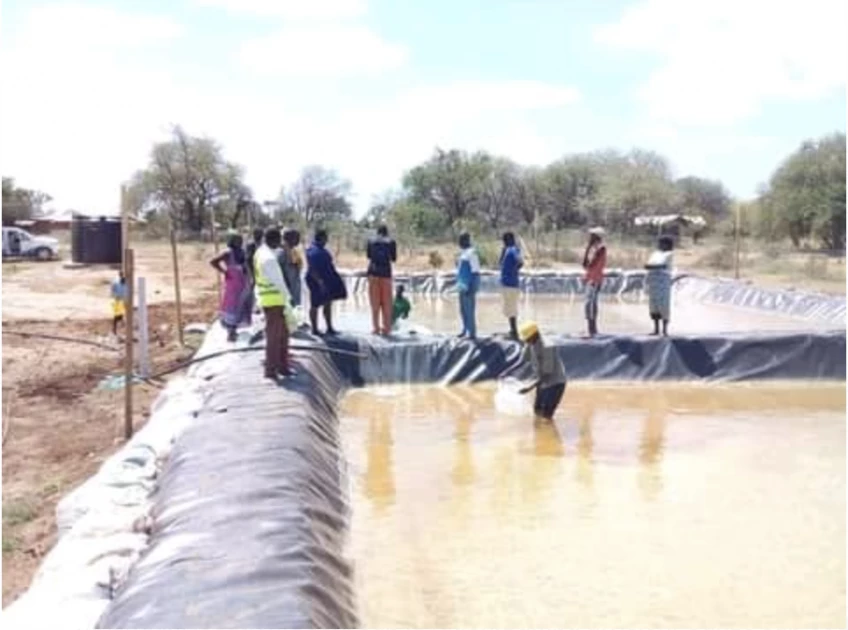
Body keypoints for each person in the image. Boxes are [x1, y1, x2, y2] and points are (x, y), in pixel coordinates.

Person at [503, 321, 567, 423]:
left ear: (535, 335)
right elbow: (523, 360)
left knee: (546, 415)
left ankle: (548, 437)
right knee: (537, 411)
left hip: (555, 384)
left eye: (527, 339)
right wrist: (508, 371)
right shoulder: (530, 344)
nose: (526, 341)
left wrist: (529, 388)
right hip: (542, 383)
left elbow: (547, 374)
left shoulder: (547, 346)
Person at [254, 227, 294, 380]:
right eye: (279, 241)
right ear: (275, 240)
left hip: (271, 300)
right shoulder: (269, 259)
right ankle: (271, 370)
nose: (280, 244)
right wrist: (289, 299)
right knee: (274, 337)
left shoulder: (261, 253)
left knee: (283, 334)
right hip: (274, 301)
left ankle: (283, 367)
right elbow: (279, 282)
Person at [210, 232, 252, 342]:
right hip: (233, 283)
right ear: (232, 241)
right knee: (231, 305)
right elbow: (213, 261)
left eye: (241, 240)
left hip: (243, 282)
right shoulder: (227, 252)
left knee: (241, 304)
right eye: (237, 240)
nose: (240, 242)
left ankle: (235, 328)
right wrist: (224, 271)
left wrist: (250, 278)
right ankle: (230, 331)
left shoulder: (242, 252)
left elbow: (246, 266)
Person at [306, 228, 347, 336]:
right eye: (326, 239)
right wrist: (320, 282)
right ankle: (314, 329)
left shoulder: (321, 250)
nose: (326, 241)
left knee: (328, 303)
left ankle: (329, 327)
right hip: (316, 280)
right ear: (322, 238)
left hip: (326, 280)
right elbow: (312, 269)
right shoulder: (313, 251)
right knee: (315, 304)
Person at [366, 225, 397, 335]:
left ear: (377, 232)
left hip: (373, 274)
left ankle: (375, 328)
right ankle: (386, 329)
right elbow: (393, 258)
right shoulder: (391, 242)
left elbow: (369, 256)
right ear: (387, 233)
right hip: (386, 274)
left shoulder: (370, 241)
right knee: (387, 303)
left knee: (374, 303)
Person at [645, 235, 674, 336]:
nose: (659, 245)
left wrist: (650, 266)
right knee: (654, 306)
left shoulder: (669, 254)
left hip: (663, 284)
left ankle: (665, 330)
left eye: (661, 243)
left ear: (667, 244)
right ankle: (656, 329)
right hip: (654, 283)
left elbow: (661, 265)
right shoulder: (656, 254)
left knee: (664, 305)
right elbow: (649, 264)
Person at [582, 227, 607, 337]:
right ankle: (590, 327)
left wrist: (589, 250)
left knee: (590, 303)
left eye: (591, 235)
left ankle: (592, 329)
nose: (589, 237)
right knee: (588, 303)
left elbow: (592, 263)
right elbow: (584, 263)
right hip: (589, 278)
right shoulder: (592, 248)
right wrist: (588, 248)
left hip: (595, 279)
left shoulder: (601, 248)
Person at [456, 232, 481, 339]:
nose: (459, 242)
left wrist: (472, 286)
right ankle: (465, 330)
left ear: (466, 240)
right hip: (462, 285)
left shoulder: (472, 253)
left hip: (469, 285)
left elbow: (475, 271)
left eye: (461, 240)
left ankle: (472, 333)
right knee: (462, 310)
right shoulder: (463, 253)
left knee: (469, 310)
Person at [499, 232, 523, 339]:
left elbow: (520, 262)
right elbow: (500, 263)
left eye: (504, 241)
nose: (503, 243)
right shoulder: (508, 250)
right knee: (509, 309)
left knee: (511, 309)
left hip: (510, 284)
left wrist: (513, 272)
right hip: (508, 284)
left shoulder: (512, 249)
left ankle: (514, 332)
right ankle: (513, 331)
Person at [277, 228, 303, 309]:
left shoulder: (294, 251)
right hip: (288, 290)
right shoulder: (281, 253)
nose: (298, 240)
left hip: (294, 288)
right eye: (296, 237)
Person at [110, 271, 127, 336]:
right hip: (117, 300)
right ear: (120, 276)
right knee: (117, 316)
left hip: (123, 300)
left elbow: (127, 291)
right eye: (122, 276)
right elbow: (112, 290)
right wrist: (115, 296)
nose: (123, 277)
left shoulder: (126, 282)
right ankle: (114, 329)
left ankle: (120, 328)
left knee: (121, 315)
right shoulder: (116, 282)